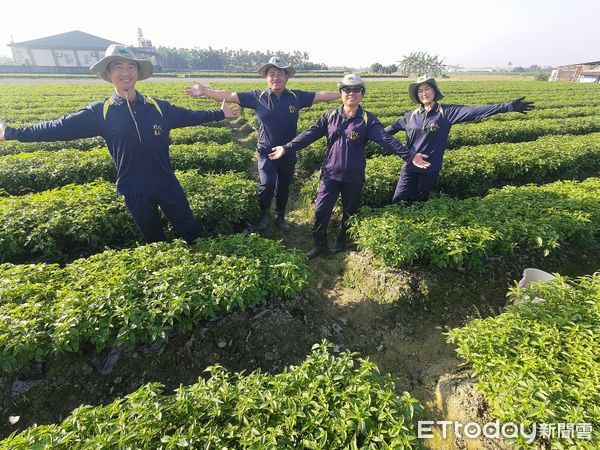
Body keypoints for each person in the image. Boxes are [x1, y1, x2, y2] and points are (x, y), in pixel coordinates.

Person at [0, 44, 240, 245]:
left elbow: (191, 116)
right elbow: (57, 128)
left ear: (137, 72)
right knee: (154, 239)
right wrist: (10, 132)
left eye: (131, 66)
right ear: (109, 74)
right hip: (134, 188)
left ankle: (198, 262)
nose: (126, 72)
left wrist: (221, 114)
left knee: (190, 231)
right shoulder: (100, 112)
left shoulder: (158, 107)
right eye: (118, 66)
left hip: (167, 183)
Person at [269, 74, 430, 259]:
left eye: (356, 90)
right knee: (321, 211)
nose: (351, 93)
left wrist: (409, 156)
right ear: (341, 93)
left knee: (349, 212)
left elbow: (387, 140)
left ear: (362, 94)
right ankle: (319, 245)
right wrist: (286, 147)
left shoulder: (368, 120)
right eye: (346, 89)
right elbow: (308, 134)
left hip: (353, 177)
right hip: (330, 174)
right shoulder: (330, 116)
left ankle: (340, 241)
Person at [185, 57, 340, 231]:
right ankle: (264, 213)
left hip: (288, 151)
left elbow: (322, 96)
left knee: (283, 185)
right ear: (266, 77)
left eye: (280, 74)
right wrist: (204, 91)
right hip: (266, 151)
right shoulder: (256, 97)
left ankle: (281, 216)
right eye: (271, 74)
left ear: (287, 77)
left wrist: (344, 93)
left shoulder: (296, 96)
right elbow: (228, 95)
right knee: (267, 184)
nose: (276, 77)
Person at [385, 75, 534, 204]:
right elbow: (386, 132)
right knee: (398, 200)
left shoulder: (447, 112)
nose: (424, 93)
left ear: (434, 91)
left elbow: (473, 111)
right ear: (417, 95)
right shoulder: (410, 116)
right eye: (420, 90)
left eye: (427, 89)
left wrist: (507, 106)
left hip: (430, 168)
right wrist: (367, 135)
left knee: (419, 201)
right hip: (410, 166)